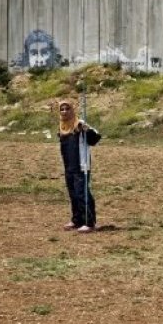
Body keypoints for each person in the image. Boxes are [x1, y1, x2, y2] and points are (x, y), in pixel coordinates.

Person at [57, 99, 101, 233]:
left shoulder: (80, 124)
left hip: (81, 165)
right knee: (73, 193)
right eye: (62, 109)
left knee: (82, 193)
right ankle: (77, 220)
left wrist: (86, 130)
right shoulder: (62, 127)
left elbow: (96, 138)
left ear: (72, 110)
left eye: (67, 109)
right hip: (69, 166)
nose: (65, 112)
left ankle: (89, 222)